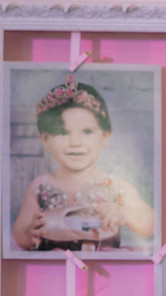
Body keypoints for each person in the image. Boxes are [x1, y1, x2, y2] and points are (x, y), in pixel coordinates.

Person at [11, 76, 154, 252]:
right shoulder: (41, 186)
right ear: (45, 139)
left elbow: (152, 223)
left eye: (87, 132)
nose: (75, 143)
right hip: (54, 266)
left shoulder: (114, 186)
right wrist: (29, 233)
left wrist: (124, 214)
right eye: (63, 132)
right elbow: (20, 232)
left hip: (102, 266)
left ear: (105, 137)